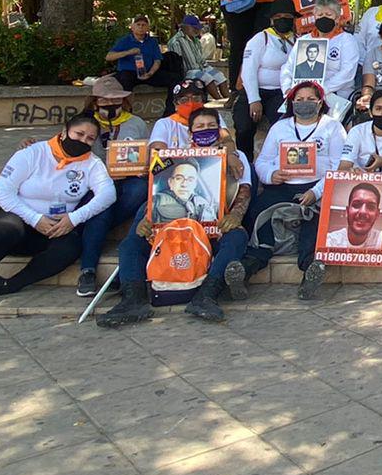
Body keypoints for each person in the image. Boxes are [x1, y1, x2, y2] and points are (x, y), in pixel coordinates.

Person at [98, 106, 253, 325]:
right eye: (199, 127)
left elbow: (244, 190)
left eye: (211, 127)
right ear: (190, 133)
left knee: (237, 238)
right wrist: (147, 220)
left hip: (211, 228)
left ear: (220, 131)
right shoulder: (173, 157)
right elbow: (155, 194)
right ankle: (133, 300)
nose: (205, 130)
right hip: (171, 232)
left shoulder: (236, 157)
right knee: (130, 244)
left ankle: (207, 296)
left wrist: (236, 216)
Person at [0, 114, 116, 306]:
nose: (83, 141)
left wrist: (74, 218)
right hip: (19, 219)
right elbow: (1, 193)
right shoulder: (32, 153)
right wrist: (35, 219)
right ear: (64, 131)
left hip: (56, 228)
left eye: (90, 138)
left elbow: (108, 193)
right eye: (79, 134)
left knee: (70, 248)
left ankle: (9, 285)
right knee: (5, 229)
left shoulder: (92, 163)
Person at [239, 81, 349, 300]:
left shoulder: (332, 127)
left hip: (318, 186)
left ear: (320, 103)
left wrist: (316, 192)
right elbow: (262, 162)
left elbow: (340, 166)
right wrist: (272, 174)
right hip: (283, 186)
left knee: (315, 217)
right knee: (261, 212)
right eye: (299, 100)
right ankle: (247, 267)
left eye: (310, 99)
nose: (304, 104)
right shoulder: (280, 127)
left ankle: (309, 269)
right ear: (291, 103)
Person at [75, 76, 151, 297]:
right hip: (97, 183)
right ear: (94, 102)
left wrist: (142, 166)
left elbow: (146, 154)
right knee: (103, 203)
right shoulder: (85, 125)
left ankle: (95, 229)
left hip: (129, 180)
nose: (110, 105)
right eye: (104, 101)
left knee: (140, 189)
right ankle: (87, 270)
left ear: (124, 101)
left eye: (115, 100)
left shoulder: (136, 123)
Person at [235, 0, 297, 159]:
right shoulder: (260, 39)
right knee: (243, 127)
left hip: (280, 93)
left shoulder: (297, 41)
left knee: (283, 125)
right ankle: (245, 162)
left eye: (287, 16)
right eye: (279, 16)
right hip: (254, 91)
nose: (283, 19)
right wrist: (254, 100)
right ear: (271, 19)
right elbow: (248, 71)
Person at [279, 1, 360, 117]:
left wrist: (321, 90)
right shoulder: (304, 40)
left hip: (335, 96)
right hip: (303, 95)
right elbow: (288, 67)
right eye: (320, 15)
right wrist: (287, 89)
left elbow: (348, 72)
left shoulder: (347, 40)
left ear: (337, 18)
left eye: (328, 14)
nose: (324, 18)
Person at [169, 14, 229, 100]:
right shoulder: (176, 42)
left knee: (220, 76)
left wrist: (207, 68)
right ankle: (218, 100)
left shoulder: (196, 40)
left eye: (198, 27)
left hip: (201, 67)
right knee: (207, 78)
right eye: (194, 28)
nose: (197, 30)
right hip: (187, 71)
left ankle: (228, 100)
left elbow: (201, 59)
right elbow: (177, 63)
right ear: (185, 27)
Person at [106, 14, 166, 92]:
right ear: (132, 27)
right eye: (138, 24)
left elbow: (157, 60)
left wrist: (150, 73)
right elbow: (109, 57)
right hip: (129, 73)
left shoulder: (152, 42)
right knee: (125, 80)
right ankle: (126, 103)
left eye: (143, 25)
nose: (141, 27)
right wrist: (128, 52)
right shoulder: (124, 41)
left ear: (147, 28)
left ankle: (172, 103)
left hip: (148, 73)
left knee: (174, 78)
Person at [150, 78, 214, 150]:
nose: (190, 103)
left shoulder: (212, 118)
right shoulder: (164, 124)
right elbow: (157, 151)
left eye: (196, 99)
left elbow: (227, 141)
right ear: (175, 104)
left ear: (203, 101)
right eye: (184, 100)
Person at [325, 181, 382, 249]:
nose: (363, 212)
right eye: (356, 205)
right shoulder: (329, 241)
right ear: (347, 211)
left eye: (371, 207)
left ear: (377, 214)